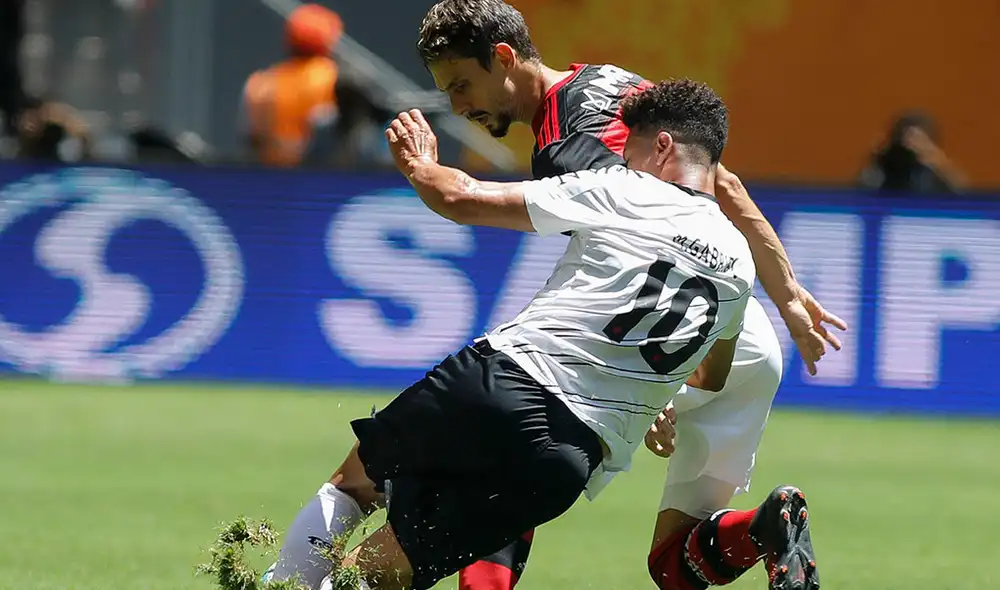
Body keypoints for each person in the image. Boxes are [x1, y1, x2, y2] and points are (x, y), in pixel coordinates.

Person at [265, 2, 837, 589]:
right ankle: (763, 528)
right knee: (672, 563)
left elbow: (468, 201)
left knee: (495, 450)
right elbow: (724, 181)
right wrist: (787, 295)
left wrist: (654, 393)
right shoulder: (609, 82)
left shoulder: (576, 150)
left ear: (506, 59)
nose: (459, 106)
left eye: (463, 84)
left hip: (649, 342)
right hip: (729, 322)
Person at [341, 77, 765, 590]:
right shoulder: (740, 261)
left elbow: (459, 196)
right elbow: (710, 374)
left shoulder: (624, 188)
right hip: (573, 456)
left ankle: (282, 576)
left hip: (509, 382)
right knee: (380, 572)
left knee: (354, 485)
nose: (622, 162)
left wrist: (420, 163)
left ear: (662, 147)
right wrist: (655, 394)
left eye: (628, 151)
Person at [241, 3, 343, 167]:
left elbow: (253, 135)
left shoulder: (262, 82)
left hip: (269, 172)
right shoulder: (332, 78)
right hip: (319, 176)